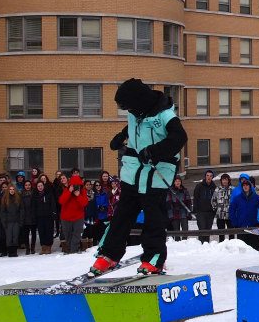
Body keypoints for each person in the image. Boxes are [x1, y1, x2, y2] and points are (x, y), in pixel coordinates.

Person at [91, 78, 187, 275]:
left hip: (158, 170)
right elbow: (133, 128)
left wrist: (155, 151)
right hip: (134, 169)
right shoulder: (136, 113)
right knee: (122, 214)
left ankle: (154, 258)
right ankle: (109, 254)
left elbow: (179, 138)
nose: (127, 111)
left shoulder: (165, 115)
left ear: (138, 101)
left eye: (127, 106)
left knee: (154, 218)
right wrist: (120, 137)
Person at [229, 176, 259, 249]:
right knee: (242, 249)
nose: (245, 186)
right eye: (243, 185)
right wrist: (235, 222)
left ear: (250, 186)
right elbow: (232, 210)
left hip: (254, 226)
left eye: (247, 185)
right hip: (241, 227)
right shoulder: (237, 198)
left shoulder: (256, 198)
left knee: (255, 248)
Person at [59, 175, 88, 254]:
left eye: (77, 185)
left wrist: (78, 195)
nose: (75, 187)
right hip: (66, 218)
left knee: (77, 235)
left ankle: (73, 251)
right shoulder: (66, 190)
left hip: (78, 217)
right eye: (73, 185)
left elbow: (85, 203)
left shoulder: (82, 191)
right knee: (67, 235)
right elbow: (61, 201)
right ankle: (70, 250)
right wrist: (69, 191)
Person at [33, 180, 56, 254]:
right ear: (37, 187)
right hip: (39, 217)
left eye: (41, 186)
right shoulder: (35, 195)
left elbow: (53, 204)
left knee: (49, 231)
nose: (40, 187)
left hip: (48, 216)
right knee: (41, 232)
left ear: (43, 186)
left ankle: (48, 246)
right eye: (38, 186)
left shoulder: (49, 194)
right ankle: (43, 247)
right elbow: (34, 207)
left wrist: (53, 213)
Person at [0, 184, 23, 257]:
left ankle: (14, 251)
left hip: (16, 220)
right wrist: (4, 221)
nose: (12, 191)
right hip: (8, 221)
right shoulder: (5, 199)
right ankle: (10, 251)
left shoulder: (18, 198)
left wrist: (21, 220)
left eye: (13, 189)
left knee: (15, 236)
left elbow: (21, 210)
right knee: (9, 237)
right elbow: (2, 212)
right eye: (10, 189)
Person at [166, 176, 192, 241]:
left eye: (179, 181)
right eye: (176, 181)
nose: (178, 182)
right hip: (174, 214)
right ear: (174, 182)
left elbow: (189, 203)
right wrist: (170, 215)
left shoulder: (184, 191)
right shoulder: (170, 191)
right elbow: (168, 204)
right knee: (176, 232)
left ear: (181, 182)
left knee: (185, 231)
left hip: (183, 213)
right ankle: (177, 245)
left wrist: (189, 213)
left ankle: (184, 243)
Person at [193, 170, 218, 236]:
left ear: (212, 177)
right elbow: (195, 199)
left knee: (208, 231)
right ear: (205, 176)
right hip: (201, 212)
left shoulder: (214, 187)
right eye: (207, 175)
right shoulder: (199, 186)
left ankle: (206, 245)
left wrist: (214, 210)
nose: (209, 177)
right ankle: (201, 245)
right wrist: (195, 210)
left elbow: (216, 200)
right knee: (202, 230)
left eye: (210, 176)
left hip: (210, 212)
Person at [211, 173, 233, 242]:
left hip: (230, 215)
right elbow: (213, 200)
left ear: (229, 180)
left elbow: (236, 201)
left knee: (231, 233)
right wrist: (216, 209)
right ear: (221, 181)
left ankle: (232, 246)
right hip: (220, 215)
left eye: (226, 180)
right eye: (223, 180)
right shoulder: (218, 189)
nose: (225, 181)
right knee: (221, 233)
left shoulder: (233, 189)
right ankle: (221, 247)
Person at [21, 180, 37, 254]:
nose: (28, 186)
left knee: (34, 234)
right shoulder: (21, 194)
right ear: (24, 186)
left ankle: (33, 247)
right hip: (25, 217)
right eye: (26, 185)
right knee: (25, 235)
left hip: (33, 216)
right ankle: (27, 248)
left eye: (29, 185)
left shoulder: (34, 193)